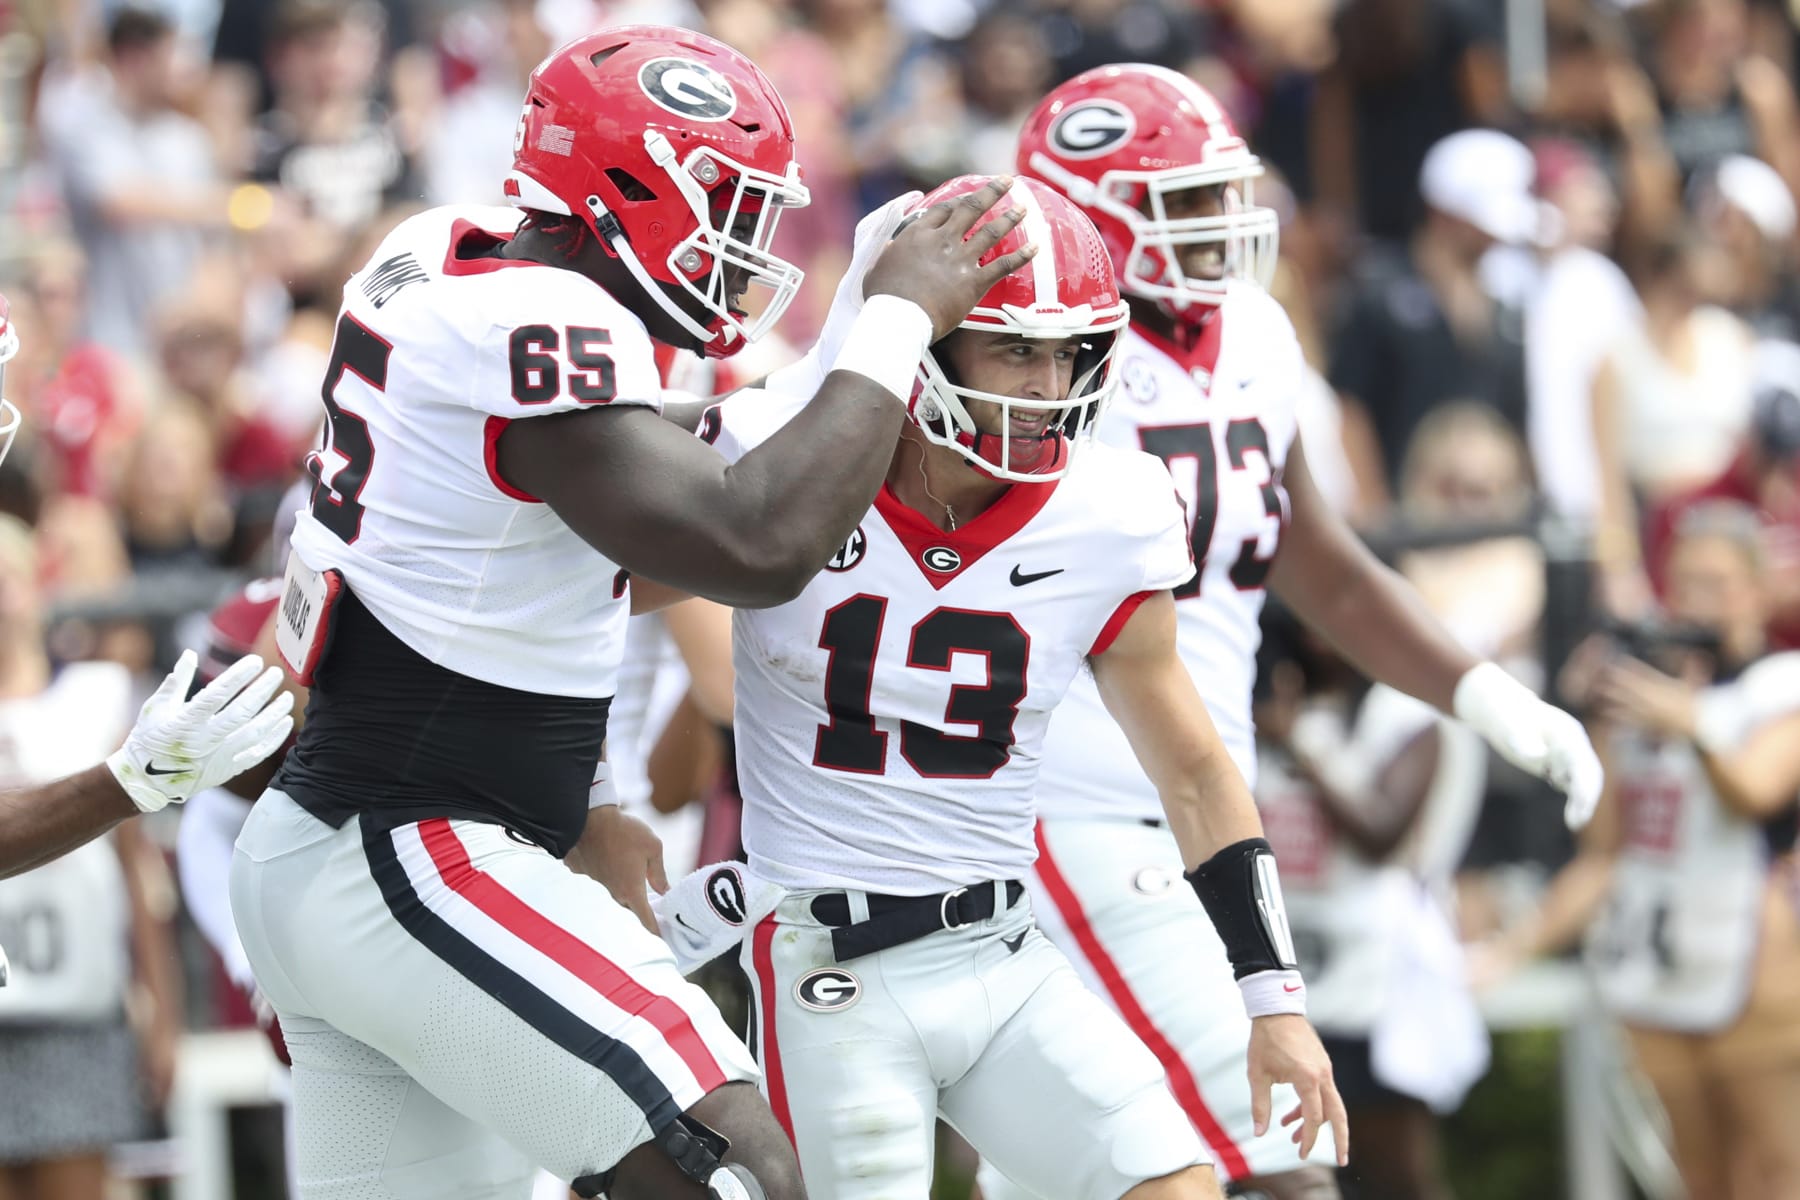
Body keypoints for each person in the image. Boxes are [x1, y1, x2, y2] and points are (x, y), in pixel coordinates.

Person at [226, 25, 1032, 1200]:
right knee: (736, 1171)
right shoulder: (547, 321)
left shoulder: (438, 255)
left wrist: (594, 794)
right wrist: (896, 324)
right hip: (413, 850)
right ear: (632, 192)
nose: (746, 250)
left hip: (337, 845)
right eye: (732, 211)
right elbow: (751, 542)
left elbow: (540, 564)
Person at [948, 65, 1599, 1200]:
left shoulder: (1254, 329)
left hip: (1204, 812)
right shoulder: (1036, 356)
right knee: (1288, 1159)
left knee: (1110, 1177)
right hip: (1076, 803)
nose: (1220, 224)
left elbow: (1320, 565)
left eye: (1221, 193)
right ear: (1086, 209)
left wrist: (1490, 695)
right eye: (1184, 202)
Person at [670, 173, 1345, 1200]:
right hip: (827, 957)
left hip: (1003, 945)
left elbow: (1196, 773)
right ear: (919, 341)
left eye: (1069, 350)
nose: (1046, 385)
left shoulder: (1109, 509)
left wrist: (1276, 1000)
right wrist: (590, 803)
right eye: (1015, 347)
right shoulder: (770, 457)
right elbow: (572, 607)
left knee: (1177, 1186)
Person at [1478, 502, 1800, 1200]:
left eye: (1717, 583)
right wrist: (1592, 716)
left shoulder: (1779, 684)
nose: (1697, 602)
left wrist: (1692, 723)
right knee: (1699, 1179)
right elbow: (1606, 850)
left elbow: (1756, 790)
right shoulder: (1643, 701)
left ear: (1757, 588)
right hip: (1659, 967)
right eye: (1684, 583)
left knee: (1777, 1173)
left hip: (1755, 967)